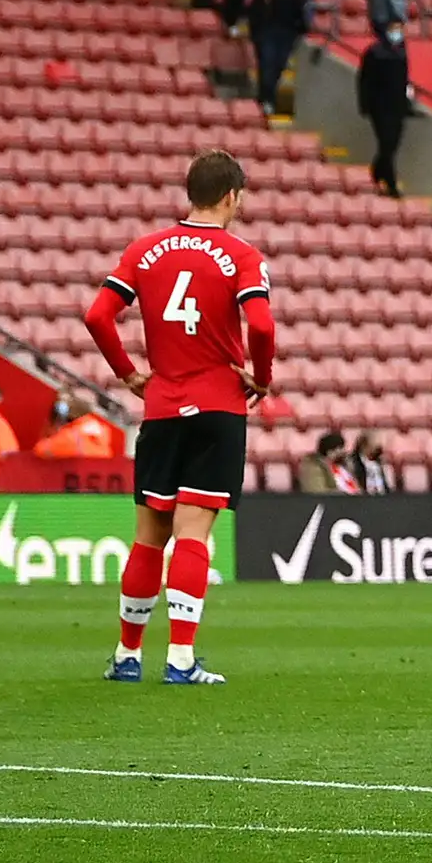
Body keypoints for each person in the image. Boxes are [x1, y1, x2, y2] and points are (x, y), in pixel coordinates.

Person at [77, 148, 279, 684]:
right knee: (193, 534)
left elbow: (97, 314)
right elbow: (259, 325)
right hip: (217, 405)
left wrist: (127, 373)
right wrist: (262, 376)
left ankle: (126, 655)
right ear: (232, 195)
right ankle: (182, 659)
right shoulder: (242, 256)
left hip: (162, 405)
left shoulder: (146, 250)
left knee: (149, 535)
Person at [356, 15, 414, 195]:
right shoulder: (374, 52)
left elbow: (404, 81)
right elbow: (364, 81)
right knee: (386, 141)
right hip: (379, 106)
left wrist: (407, 103)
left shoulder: (401, 53)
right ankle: (390, 182)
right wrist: (365, 104)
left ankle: (378, 169)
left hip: (397, 106)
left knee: (392, 143)